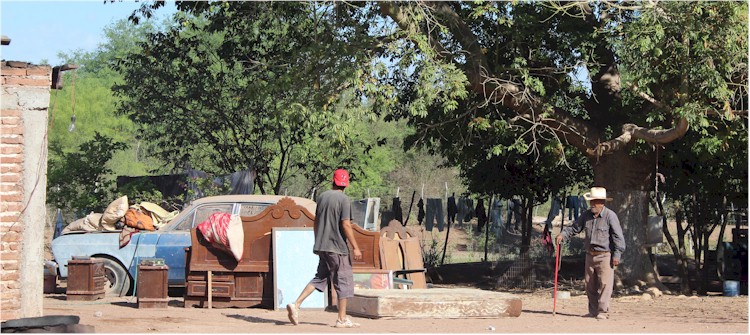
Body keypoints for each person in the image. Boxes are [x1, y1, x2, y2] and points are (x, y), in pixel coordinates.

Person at [286, 169, 363, 328]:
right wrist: (355, 247)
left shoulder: (322, 197)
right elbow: (346, 224)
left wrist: (318, 241)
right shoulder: (344, 199)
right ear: (346, 184)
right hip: (338, 248)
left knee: (320, 277)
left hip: (323, 246)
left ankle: (296, 304)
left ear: (332, 181)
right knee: (344, 281)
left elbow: (316, 222)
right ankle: (341, 319)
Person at [555, 187, 625, 320]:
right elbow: (575, 227)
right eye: (591, 201)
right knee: (589, 284)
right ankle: (593, 311)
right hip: (589, 255)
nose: (592, 204)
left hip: (605, 255)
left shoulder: (611, 216)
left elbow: (618, 237)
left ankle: (603, 311)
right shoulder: (586, 215)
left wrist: (617, 254)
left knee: (605, 284)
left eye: (595, 202)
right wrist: (563, 235)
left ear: (602, 202)